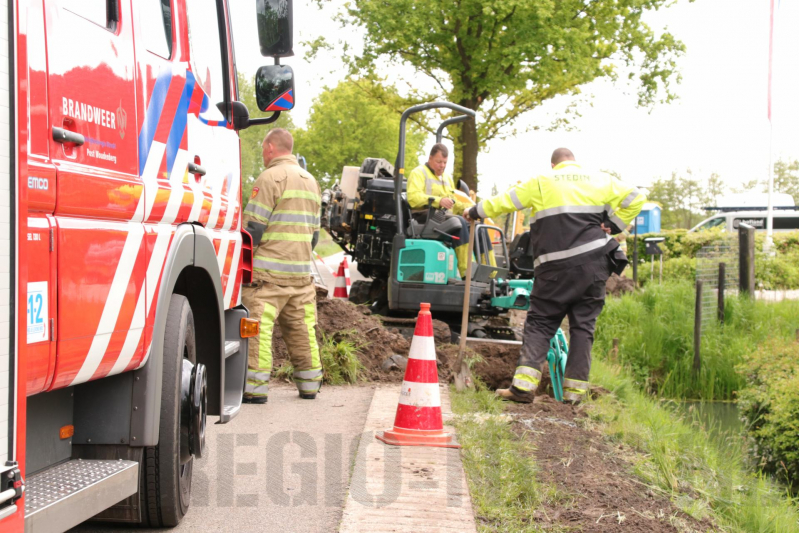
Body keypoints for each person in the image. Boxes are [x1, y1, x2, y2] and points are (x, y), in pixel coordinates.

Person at [464, 148, 645, 404]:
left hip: (555, 270)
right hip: (594, 264)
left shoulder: (541, 181)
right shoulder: (600, 179)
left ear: (553, 165)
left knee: (540, 322)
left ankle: (523, 388)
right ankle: (574, 397)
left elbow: (505, 201)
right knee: (583, 328)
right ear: (574, 162)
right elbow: (637, 197)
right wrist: (614, 224)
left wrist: (475, 211)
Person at [241, 128, 323, 404]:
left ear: (271, 147)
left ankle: (255, 390)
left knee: (257, 331)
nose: (263, 154)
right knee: (302, 329)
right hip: (300, 276)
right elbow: (314, 236)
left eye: (264, 149)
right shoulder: (311, 182)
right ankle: (310, 385)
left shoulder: (269, 178)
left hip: (267, 277)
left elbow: (253, 230)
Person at [406, 144, 472, 277]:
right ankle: (467, 273)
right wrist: (438, 200)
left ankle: (488, 272)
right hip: (423, 218)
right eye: (439, 162)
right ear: (430, 158)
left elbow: (453, 201)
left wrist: (470, 210)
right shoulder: (418, 173)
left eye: (445, 162)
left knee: (473, 226)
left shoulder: (447, 178)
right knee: (458, 223)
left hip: (440, 217)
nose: (442, 165)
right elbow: (413, 198)